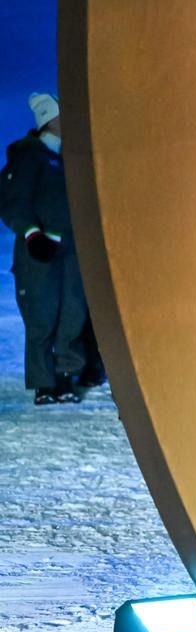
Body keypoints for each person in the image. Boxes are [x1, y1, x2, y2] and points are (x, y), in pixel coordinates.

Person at [1, 93, 88, 404]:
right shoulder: (28, 157)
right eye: (62, 116)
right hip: (39, 252)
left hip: (71, 250)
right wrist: (32, 233)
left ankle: (66, 376)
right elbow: (12, 201)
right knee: (41, 315)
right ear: (50, 121)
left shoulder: (68, 158)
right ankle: (43, 383)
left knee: (72, 312)